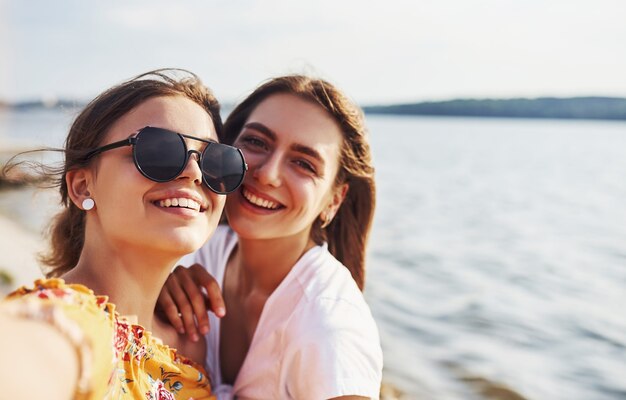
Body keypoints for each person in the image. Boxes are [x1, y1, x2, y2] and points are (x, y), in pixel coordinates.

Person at [0, 69, 247, 399]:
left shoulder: (192, 341)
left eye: (216, 160)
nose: (194, 172)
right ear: (82, 185)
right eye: (158, 150)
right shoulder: (70, 318)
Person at [157, 75, 383, 399]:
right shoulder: (201, 250)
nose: (267, 173)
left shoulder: (330, 326)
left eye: (303, 163)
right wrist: (158, 284)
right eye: (257, 142)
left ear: (333, 200)